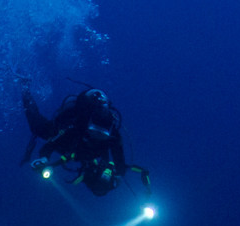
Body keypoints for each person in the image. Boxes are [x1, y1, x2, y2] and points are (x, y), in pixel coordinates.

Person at [21, 84, 150, 197]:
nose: (97, 138)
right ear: (88, 126)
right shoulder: (75, 126)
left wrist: (117, 176)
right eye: (94, 132)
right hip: (70, 141)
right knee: (37, 127)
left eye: (102, 135)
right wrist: (44, 158)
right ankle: (25, 89)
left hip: (82, 153)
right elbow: (50, 146)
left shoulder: (113, 137)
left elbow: (120, 166)